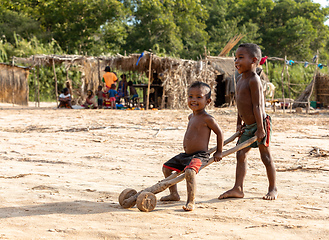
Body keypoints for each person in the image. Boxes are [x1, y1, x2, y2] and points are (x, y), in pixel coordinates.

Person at [218, 43, 277, 201]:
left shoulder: (254, 80)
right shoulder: (239, 79)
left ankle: (273, 188)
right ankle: (238, 188)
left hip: (260, 124)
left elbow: (257, 106)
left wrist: (260, 128)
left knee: (265, 157)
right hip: (247, 126)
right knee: (241, 154)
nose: (236, 61)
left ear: (254, 60)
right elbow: (240, 104)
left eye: (241, 58)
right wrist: (239, 123)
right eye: (235, 58)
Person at [161, 81, 224, 211]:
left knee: (190, 172)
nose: (193, 100)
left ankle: (191, 201)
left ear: (208, 101)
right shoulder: (191, 116)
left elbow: (220, 133)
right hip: (186, 155)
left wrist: (219, 151)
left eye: (199, 97)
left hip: (200, 155)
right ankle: (174, 194)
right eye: (190, 96)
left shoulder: (208, 118)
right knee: (166, 168)